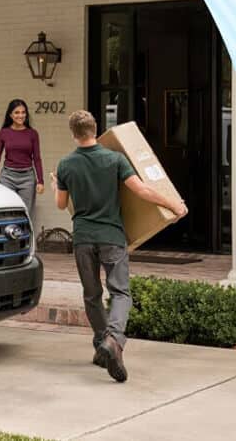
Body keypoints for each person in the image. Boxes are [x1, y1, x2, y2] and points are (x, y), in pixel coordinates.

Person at [51, 110, 188, 383]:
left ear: (73, 134)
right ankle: (114, 340)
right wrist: (173, 205)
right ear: (95, 129)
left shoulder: (66, 164)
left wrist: (57, 184)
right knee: (121, 293)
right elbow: (142, 190)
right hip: (111, 236)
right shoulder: (114, 159)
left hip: (83, 238)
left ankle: (103, 345)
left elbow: (61, 204)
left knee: (91, 295)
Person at [0, 99, 44, 217]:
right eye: (17, 112)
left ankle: (25, 236)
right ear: (10, 115)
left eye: (23, 112)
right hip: (8, 177)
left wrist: (40, 181)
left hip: (27, 178)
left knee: (25, 214)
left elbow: (37, 158)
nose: (21, 115)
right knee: (7, 212)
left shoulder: (32, 134)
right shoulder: (3, 133)